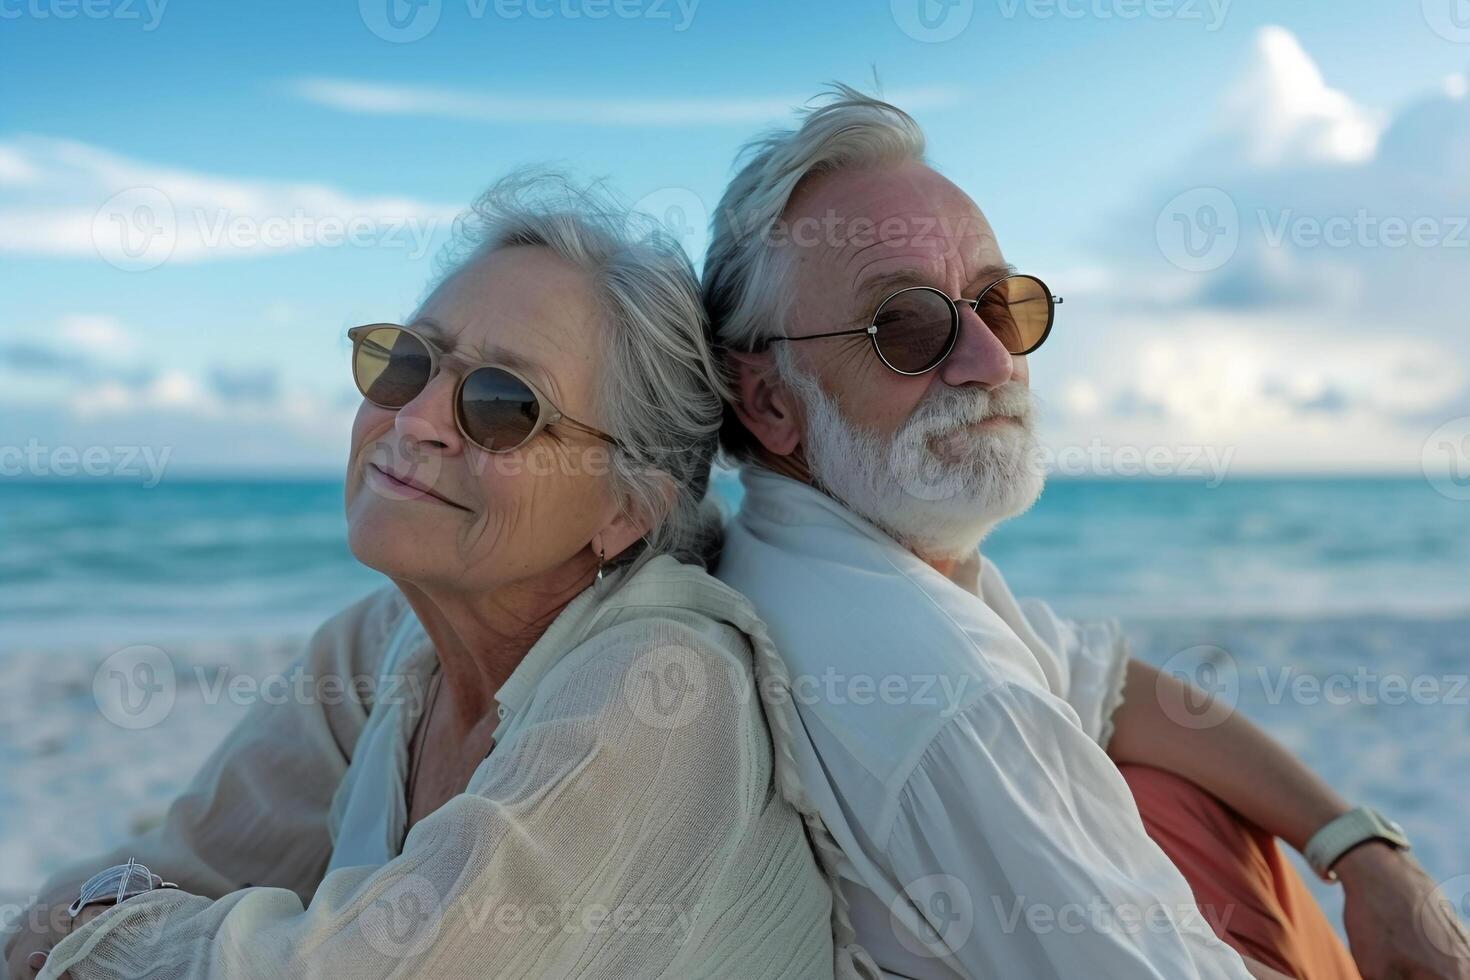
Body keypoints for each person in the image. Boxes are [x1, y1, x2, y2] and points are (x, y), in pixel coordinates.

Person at [705, 86, 1470, 980]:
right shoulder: (952, 698)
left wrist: (1358, 846)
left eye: (1001, 304)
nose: (991, 361)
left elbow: (1105, 686)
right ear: (768, 400)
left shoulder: (832, 560)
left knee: (1175, 794)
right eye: (905, 327)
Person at [7, 171, 840, 980]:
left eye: (504, 404)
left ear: (626, 509)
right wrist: (82, 915)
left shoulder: (667, 689)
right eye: (407, 363)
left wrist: (98, 932)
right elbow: (188, 862)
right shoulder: (379, 646)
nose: (413, 418)